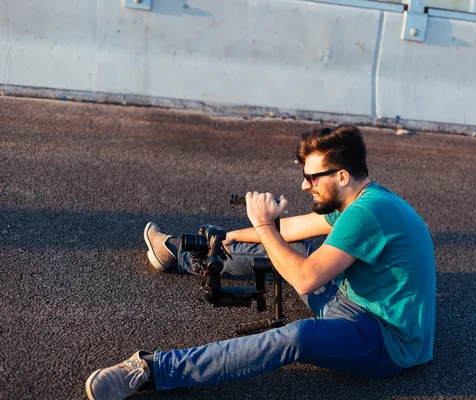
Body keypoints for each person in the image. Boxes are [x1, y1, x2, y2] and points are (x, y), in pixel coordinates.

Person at [85, 125, 437, 400]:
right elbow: (293, 228)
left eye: (312, 177)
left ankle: (152, 369)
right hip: (349, 298)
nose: (303, 186)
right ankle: (182, 253)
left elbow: (304, 280)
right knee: (292, 248)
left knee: (296, 335)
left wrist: (264, 225)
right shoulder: (360, 199)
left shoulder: (369, 213)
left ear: (341, 176)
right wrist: (232, 235)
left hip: (384, 340)